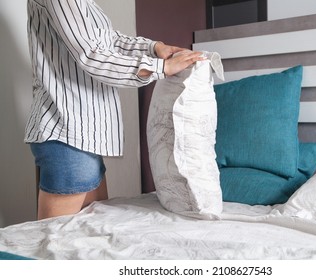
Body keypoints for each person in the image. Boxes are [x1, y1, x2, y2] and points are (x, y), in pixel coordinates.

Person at [25, 0, 204, 220]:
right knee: (52, 245)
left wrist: (154, 48)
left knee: (86, 239)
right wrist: (160, 68)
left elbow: (107, 41)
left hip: (85, 133)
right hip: (67, 131)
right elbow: (91, 55)